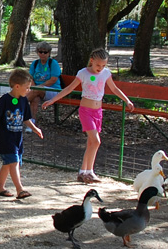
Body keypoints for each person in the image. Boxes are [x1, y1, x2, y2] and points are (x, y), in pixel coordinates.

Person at [41, 48, 136, 183]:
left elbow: (114, 89)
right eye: (98, 65)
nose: (100, 68)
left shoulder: (106, 73)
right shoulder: (83, 73)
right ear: (91, 60)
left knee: (91, 142)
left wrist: (126, 100)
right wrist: (52, 100)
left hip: (98, 112)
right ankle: (90, 172)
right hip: (86, 111)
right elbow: (69, 88)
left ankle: (83, 172)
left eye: (103, 65)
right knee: (96, 141)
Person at [0, 70, 44, 199]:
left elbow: (26, 118)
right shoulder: (4, 99)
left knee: (8, 163)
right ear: (17, 86)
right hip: (5, 138)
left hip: (17, 138)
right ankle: (20, 189)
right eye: (27, 87)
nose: (29, 90)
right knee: (14, 162)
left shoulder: (23, 101)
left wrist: (35, 128)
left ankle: (0, 188)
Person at [28, 42, 61, 110]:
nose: (43, 54)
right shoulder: (35, 63)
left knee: (38, 90)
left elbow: (53, 79)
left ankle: (17, 104)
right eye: (40, 52)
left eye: (45, 52)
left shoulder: (53, 63)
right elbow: (30, 78)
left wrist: (39, 87)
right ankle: (32, 119)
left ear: (49, 53)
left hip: (53, 90)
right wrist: (35, 87)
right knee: (35, 99)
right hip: (36, 90)